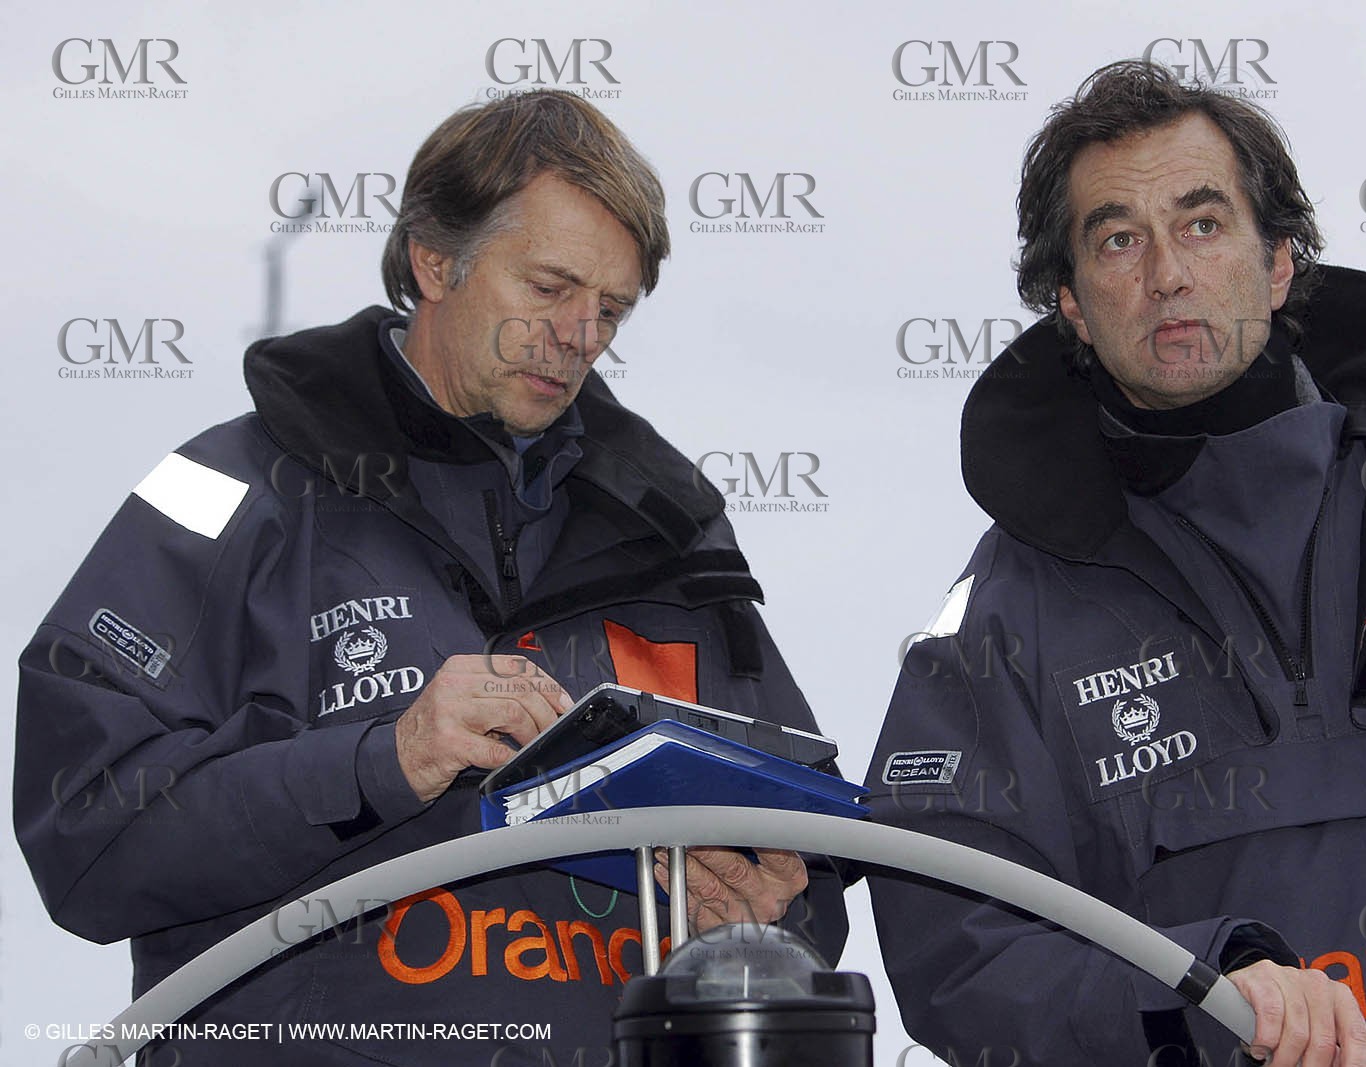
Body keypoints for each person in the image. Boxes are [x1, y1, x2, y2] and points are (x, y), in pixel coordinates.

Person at [14, 90, 846, 1067]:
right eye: (548, 286)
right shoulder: (220, 491)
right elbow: (86, 832)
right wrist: (380, 758)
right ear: (434, 260)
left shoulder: (677, 543)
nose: (580, 333)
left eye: (610, 309)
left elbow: (811, 868)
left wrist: (763, 906)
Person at [866, 60, 1366, 1067]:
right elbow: (953, 945)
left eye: (1203, 223)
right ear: (1073, 308)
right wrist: (1191, 988)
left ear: (1282, 260)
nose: (1167, 271)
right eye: (1118, 239)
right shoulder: (1012, 611)